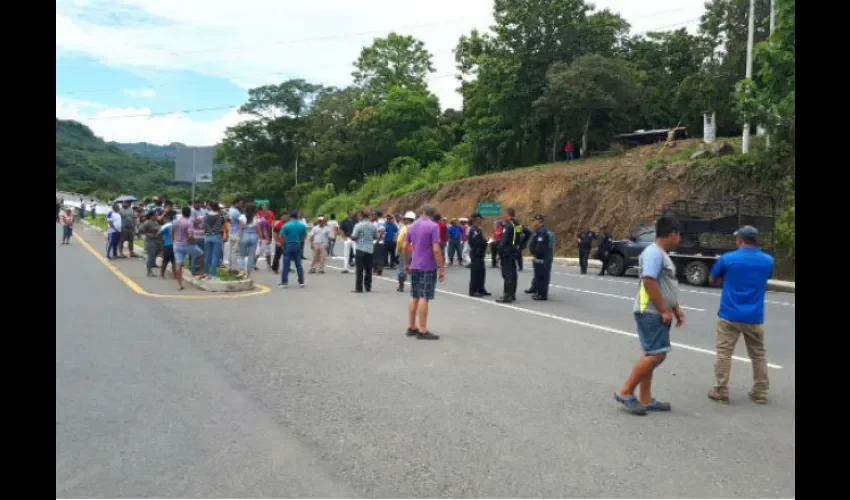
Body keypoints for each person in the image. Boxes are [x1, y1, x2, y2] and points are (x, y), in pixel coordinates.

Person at [615, 216, 684, 415]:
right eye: (678, 235)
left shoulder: (659, 253)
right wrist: (664, 309)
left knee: (652, 352)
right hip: (651, 311)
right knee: (657, 354)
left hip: (655, 310)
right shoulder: (654, 254)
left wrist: (675, 307)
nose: (679, 239)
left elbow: (664, 285)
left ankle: (645, 398)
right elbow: (649, 281)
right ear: (672, 234)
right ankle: (626, 391)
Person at [707, 225, 775, 405]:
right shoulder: (768, 260)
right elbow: (764, 279)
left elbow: (712, 279)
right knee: (758, 355)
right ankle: (760, 392)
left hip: (729, 314)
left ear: (740, 240)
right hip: (755, 316)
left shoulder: (728, 258)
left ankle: (721, 391)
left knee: (724, 354)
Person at [403, 205, 444, 339]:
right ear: (432, 215)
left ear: (422, 213)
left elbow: (404, 246)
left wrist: (406, 263)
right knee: (424, 296)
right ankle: (422, 329)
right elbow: (436, 249)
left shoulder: (411, 226)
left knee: (414, 295)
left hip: (414, 265)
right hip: (428, 266)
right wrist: (441, 268)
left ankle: (411, 326)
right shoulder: (433, 227)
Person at [496, 208, 526, 303]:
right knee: (513, 273)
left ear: (507, 214)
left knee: (507, 274)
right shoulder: (517, 225)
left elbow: (503, 241)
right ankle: (512, 294)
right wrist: (520, 245)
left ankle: (507, 295)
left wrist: (499, 253)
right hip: (514, 251)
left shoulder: (508, 226)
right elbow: (527, 233)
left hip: (507, 252)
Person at [173, 206, 204, 290]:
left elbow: (172, 232)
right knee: (201, 254)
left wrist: (174, 241)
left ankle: (179, 284)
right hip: (187, 245)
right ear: (190, 213)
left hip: (177, 245)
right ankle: (201, 272)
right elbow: (190, 235)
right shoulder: (188, 223)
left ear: (182, 212)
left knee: (178, 264)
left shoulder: (175, 221)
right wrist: (194, 238)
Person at [350, 209, 377, 293]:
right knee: (368, 269)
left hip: (360, 249)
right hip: (370, 249)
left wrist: (353, 237)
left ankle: (359, 288)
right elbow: (376, 236)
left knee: (359, 270)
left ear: (361, 216)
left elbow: (354, 236)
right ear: (368, 216)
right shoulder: (373, 226)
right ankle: (368, 287)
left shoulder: (358, 225)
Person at [527, 215, 553, 301]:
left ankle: (542, 294)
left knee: (542, 275)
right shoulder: (537, 230)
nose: (533, 222)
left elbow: (540, 247)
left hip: (542, 257)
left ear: (539, 221)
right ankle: (538, 291)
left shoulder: (542, 231)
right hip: (538, 256)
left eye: (534, 220)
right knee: (538, 274)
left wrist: (536, 255)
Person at [280, 210, 307, 288]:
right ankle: (301, 281)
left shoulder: (286, 225)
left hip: (288, 244)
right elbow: (304, 236)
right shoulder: (302, 225)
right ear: (297, 216)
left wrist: (282, 244)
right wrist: (300, 240)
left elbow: (281, 236)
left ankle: (284, 282)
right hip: (297, 244)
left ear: (290, 216)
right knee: (298, 264)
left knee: (286, 264)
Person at [467, 212, 490, 297]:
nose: (481, 221)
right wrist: (485, 242)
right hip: (476, 253)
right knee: (475, 272)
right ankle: (473, 290)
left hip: (480, 253)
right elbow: (474, 241)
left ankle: (481, 288)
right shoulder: (473, 230)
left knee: (481, 272)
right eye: (480, 219)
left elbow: (481, 240)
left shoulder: (478, 229)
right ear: (477, 219)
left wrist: (486, 241)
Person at [203, 202, 226, 280]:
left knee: (207, 256)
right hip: (216, 236)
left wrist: (209, 231)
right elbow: (220, 224)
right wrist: (213, 231)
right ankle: (213, 275)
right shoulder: (220, 216)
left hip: (207, 237)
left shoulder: (206, 215)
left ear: (210, 207)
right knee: (215, 256)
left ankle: (206, 274)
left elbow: (204, 225)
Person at [395, 211, 416, 292]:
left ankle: (401, 286)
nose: (403, 220)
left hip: (405, 250)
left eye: (405, 219)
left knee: (403, 266)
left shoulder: (404, 228)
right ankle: (414, 286)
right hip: (415, 250)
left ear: (409, 219)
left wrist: (398, 249)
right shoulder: (417, 227)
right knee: (414, 268)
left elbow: (399, 240)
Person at [238, 203, 259, 279]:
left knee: (242, 255)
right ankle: (248, 273)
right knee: (251, 256)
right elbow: (258, 230)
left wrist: (239, 239)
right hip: (253, 236)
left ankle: (241, 271)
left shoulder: (242, 217)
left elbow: (241, 228)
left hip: (245, 235)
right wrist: (259, 238)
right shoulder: (256, 218)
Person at [139, 211, 163, 277]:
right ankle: (149, 271)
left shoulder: (156, 222)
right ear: (151, 216)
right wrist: (148, 234)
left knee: (156, 253)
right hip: (150, 241)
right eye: (155, 215)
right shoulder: (147, 222)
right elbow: (140, 230)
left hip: (157, 240)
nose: (156, 216)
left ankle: (153, 264)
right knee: (151, 255)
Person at [159, 211, 176, 279]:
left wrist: (162, 240)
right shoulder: (175, 224)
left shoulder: (165, 226)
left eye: (164, 217)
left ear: (167, 217)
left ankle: (162, 274)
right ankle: (175, 275)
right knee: (174, 261)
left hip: (167, 245)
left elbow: (158, 234)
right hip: (175, 245)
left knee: (165, 261)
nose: (163, 219)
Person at [227, 198, 243, 272]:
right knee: (235, 251)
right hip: (236, 232)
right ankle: (234, 268)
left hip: (230, 231)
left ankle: (230, 267)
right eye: (240, 203)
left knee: (230, 250)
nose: (241, 205)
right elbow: (241, 222)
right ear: (236, 203)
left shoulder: (229, 210)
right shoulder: (236, 212)